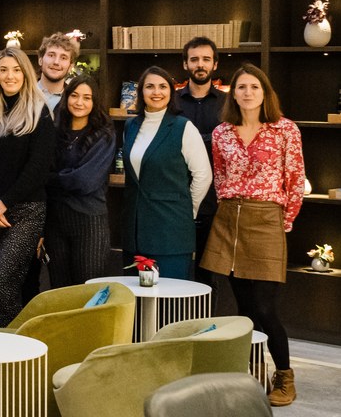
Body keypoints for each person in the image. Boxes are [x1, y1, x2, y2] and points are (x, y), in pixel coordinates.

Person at [199, 64, 304, 407]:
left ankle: (284, 377)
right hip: (230, 218)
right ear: (234, 93)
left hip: (266, 220)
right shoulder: (221, 133)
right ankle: (253, 373)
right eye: (241, 87)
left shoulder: (285, 129)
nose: (247, 92)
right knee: (243, 307)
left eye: (254, 87)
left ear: (265, 92)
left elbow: (295, 181)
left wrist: (281, 223)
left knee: (265, 307)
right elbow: (219, 176)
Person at [0, 48, 55, 326]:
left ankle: (6, 354)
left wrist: (4, 203)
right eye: (3, 70)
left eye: (16, 70)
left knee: (0, 282)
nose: (10, 76)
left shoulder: (39, 114)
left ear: (26, 74)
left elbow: (39, 169)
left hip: (25, 213)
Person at [121, 66, 212, 280]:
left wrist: (187, 211)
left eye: (163, 87)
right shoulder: (130, 126)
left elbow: (203, 175)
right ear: (141, 92)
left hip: (171, 230)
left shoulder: (183, 127)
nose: (156, 92)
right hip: (135, 231)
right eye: (150, 86)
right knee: (136, 302)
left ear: (171, 92)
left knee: (170, 303)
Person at [45, 75, 114, 287]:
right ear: (66, 98)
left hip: (89, 220)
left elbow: (86, 181)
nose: (79, 102)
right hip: (55, 221)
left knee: (88, 290)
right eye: (74, 96)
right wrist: (67, 177)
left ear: (95, 102)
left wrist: (53, 179)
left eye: (87, 97)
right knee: (60, 290)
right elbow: (42, 170)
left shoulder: (104, 135)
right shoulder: (53, 132)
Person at [176, 37, 226, 293]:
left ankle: (206, 329)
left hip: (214, 202)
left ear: (215, 64)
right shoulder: (172, 102)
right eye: (194, 59)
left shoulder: (228, 103)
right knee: (177, 271)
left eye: (206, 59)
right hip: (176, 197)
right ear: (185, 63)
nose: (200, 64)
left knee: (208, 275)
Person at [36, 32, 79, 112]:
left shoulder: (75, 102)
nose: (56, 62)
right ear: (40, 60)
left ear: (71, 66)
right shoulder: (23, 94)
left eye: (63, 58)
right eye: (51, 55)